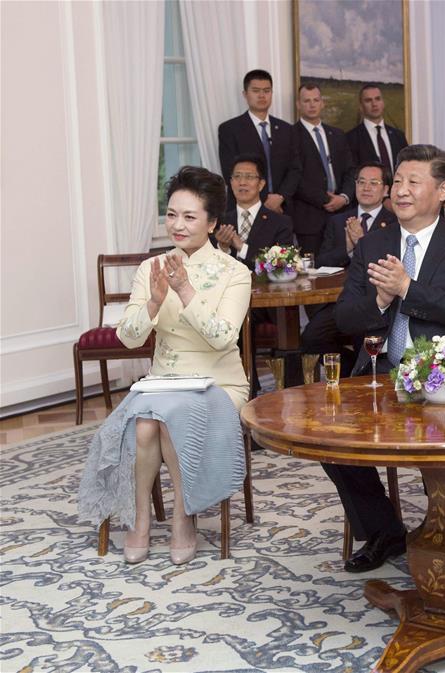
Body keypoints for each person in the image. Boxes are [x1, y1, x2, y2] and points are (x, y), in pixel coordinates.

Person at [328, 145, 445, 572]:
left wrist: (408, 289)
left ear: (442, 190)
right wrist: (380, 301)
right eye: (397, 181)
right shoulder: (374, 244)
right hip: (379, 373)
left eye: (411, 182)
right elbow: (344, 316)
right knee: (330, 441)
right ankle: (385, 530)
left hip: (443, 380)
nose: (399, 190)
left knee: (441, 449)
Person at [78, 166, 251, 566]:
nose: (177, 224)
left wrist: (185, 290)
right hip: (163, 382)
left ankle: (181, 516)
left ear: (211, 223)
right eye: (172, 214)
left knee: (165, 418)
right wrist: (154, 302)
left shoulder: (234, 273)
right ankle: (140, 518)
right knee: (145, 422)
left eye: (189, 217)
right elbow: (128, 338)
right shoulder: (150, 269)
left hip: (219, 383)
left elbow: (223, 337)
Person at [303, 162, 397, 371]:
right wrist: (347, 247)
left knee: (363, 340)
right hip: (339, 299)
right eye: (361, 182)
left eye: (373, 183)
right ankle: (349, 372)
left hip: (377, 300)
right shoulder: (338, 221)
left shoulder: (394, 222)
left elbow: (391, 263)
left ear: (386, 190)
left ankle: (360, 371)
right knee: (311, 338)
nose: (366, 188)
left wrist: (363, 243)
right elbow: (320, 262)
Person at [218, 69, 300, 215]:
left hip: (283, 208)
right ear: (245, 94)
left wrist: (279, 197)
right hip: (245, 209)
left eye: (267, 91)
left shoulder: (286, 129)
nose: (262, 95)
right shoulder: (229, 129)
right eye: (256, 90)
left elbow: (295, 169)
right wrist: (265, 201)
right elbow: (230, 173)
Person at [292, 83, 356, 256]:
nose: (312, 105)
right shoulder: (290, 135)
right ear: (298, 104)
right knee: (313, 272)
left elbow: (351, 171)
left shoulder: (337, 134)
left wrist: (344, 197)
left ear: (322, 103)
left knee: (343, 267)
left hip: (341, 214)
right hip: (309, 218)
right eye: (306, 101)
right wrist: (326, 199)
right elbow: (294, 177)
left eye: (316, 100)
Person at [214, 153, 294, 269]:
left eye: (249, 177)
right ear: (231, 183)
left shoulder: (280, 223)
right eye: (237, 177)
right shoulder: (219, 222)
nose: (242, 182)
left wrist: (242, 247)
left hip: (265, 286)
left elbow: (283, 265)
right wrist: (223, 248)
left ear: (261, 184)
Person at [345, 83, 409, 170]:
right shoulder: (351, 139)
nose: (374, 104)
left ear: (383, 103)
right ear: (361, 107)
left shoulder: (398, 136)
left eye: (378, 99)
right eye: (368, 100)